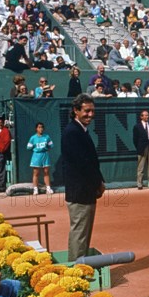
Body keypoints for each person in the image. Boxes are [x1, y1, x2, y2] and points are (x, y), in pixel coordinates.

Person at [62, 94, 105, 261]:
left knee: (83, 234)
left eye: (93, 111)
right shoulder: (72, 132)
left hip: (85, 191)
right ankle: (74, 273)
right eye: (87, 111)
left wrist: (99, 182)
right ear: (76, 111)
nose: (90, 114)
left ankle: (80, 269)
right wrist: (98, 183)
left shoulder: (80, 130)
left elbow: (91, 161)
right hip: (79, 192)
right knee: (79, 234)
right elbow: (83, 164)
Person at [26, 123, 54, 195]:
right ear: (36, 129)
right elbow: (28, 147)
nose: (40, 129)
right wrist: (36, 150)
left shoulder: (47, 137)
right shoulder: (33, 138)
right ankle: (35, 189)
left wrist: (46, 149)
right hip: (36, 156)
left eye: (42, 127)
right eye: (39, 127)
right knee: (36, 173)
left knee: (46, 172)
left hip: (45, 155)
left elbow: (51, 145)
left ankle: (48, 188)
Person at [133, 110, 149, 190]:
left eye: (148, 115)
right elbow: (135, 140)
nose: (147, 117)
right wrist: (139, 147)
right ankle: (139, 183)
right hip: (142, 148)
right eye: (145, 115)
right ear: (141, 117)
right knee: (141, 167)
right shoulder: (137, 127)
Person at [0, 118, 12, 192]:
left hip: (0, 154)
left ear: (3, 123)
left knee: (1, 170)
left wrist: (1, 151)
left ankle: (2, 187)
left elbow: (7, 142)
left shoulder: (5, 131)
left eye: (0, 122)